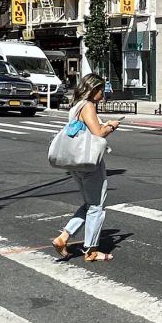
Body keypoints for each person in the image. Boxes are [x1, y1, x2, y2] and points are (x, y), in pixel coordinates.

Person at [52, 74, 120, 264]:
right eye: (101, 90)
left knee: (90, 203)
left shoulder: (76, 106)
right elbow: (98, 133)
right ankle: (91, 250)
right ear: (93, 90)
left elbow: (87, 130)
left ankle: (63, 237)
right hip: (89, 162)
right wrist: (112, 126)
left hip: (76, 162)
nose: (103, 94)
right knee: (96, 206)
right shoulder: (88, 105)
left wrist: (103, 125)